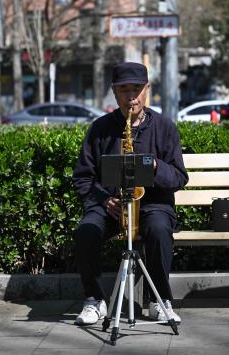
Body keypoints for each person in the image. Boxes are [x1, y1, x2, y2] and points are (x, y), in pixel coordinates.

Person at [72, 62, 189, 326]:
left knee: (159, 230)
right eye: (124, 90)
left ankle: (159, 300)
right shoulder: (100, 128)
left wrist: (156, 165)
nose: (131, 97)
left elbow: (180, 178)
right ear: (114, 92)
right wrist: (104, 199)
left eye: (137, 89)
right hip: (110, 206)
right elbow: (82, 177)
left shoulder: (164, 127)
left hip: (152, 205)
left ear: (147, 90)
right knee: (86, 232)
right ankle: (94, 300)